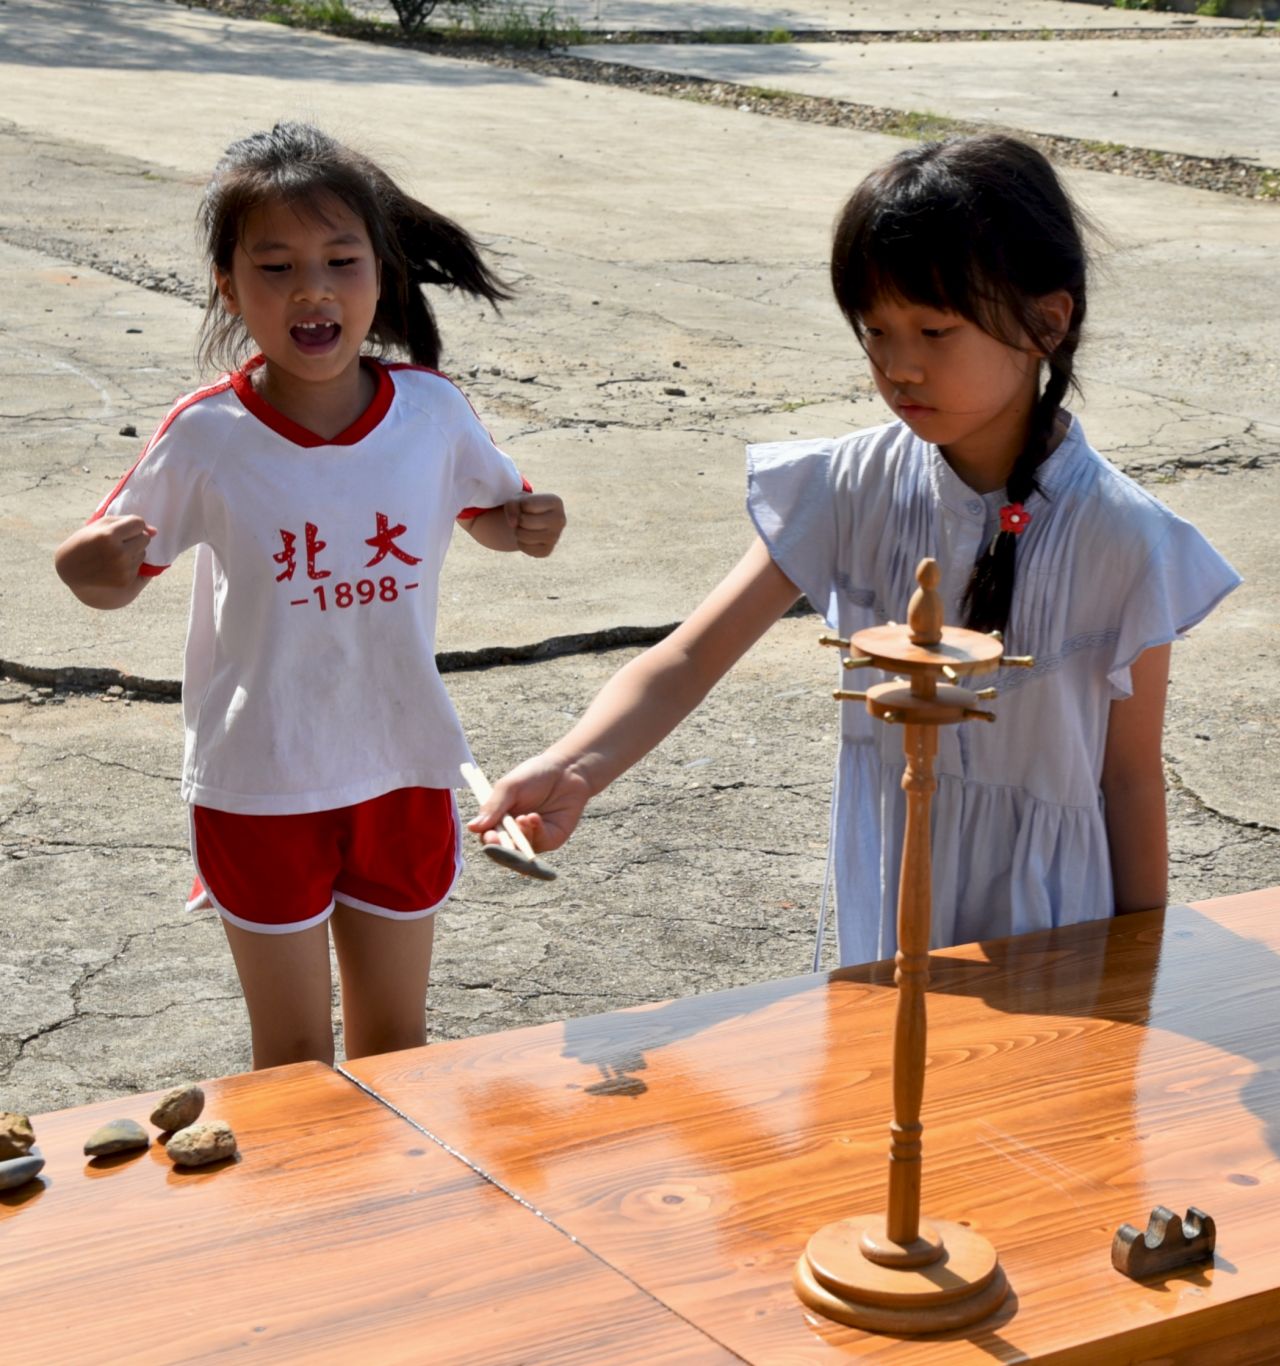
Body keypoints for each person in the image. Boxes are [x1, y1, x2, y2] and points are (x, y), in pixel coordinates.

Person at [473, 133, 1236, 967]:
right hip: (891, 898)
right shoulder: (849, 486)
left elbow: (1129, 778)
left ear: (1046, 322)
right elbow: (690, 656)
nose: (899, 365)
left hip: (1055, 929)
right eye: (875, 330)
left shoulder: (1124, 536)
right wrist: (573, 767)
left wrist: (1139, 965)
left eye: (935, 330)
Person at [52, 122, 567, 1068]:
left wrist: (529, 524)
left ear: (382, 270)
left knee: (397, 1048)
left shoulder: (431, 411)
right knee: (291, 1060)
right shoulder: (207, 436)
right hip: (262, 778)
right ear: (228, 286)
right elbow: (111, 576)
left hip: (403, 763)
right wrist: (85, 567)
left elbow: (490, 510)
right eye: (277, 266)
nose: (312, 289)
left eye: (340, 259)